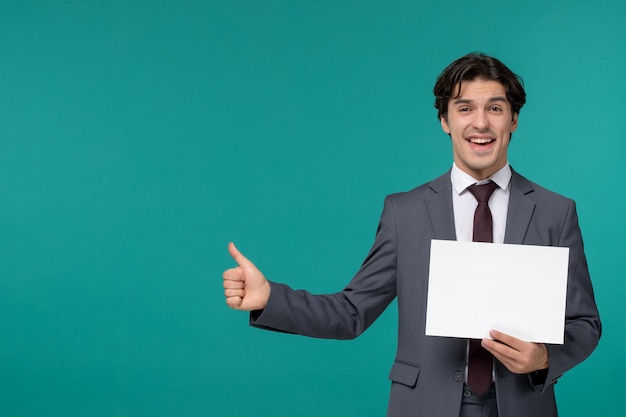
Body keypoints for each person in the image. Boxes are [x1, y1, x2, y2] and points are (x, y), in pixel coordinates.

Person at [222, 52, 601, 417]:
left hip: (523, 404)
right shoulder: (405, 212)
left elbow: (584, 323)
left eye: (496, 108)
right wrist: (269, 297)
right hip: (424, 404)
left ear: (514, 119)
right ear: (445, 120)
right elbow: (352, 312)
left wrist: (545, 358)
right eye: (465, 108)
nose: (481, 123)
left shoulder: (555, 211)